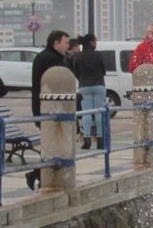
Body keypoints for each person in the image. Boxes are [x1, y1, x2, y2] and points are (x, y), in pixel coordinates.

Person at [27, 30, 69, 189]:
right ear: (56, 43)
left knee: (52, 145)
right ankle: (38, 174)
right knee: (52, 146)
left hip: (43, 107)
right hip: (50, 108)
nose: (67, 46)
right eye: (65, 42)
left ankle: (41, 175)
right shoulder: (52, 60)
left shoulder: (45, 56)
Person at [71, 33, 107, 151]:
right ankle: (100, 140)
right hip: (99, 85)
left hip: (84, 86)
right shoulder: (99, 55)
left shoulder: (78, 56)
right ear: (92, 42)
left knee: (86, 113)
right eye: (95, 41)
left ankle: (87, 140)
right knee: (98, 113)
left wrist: (82, 79)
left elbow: (75, 71)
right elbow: (103, 70)